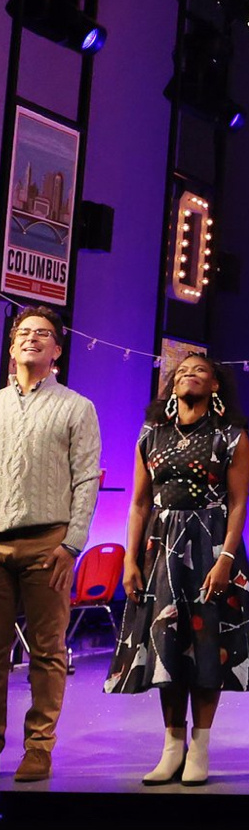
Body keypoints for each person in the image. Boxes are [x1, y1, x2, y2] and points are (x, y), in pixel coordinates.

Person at [106, 350, 249, 786]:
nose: (189, 376)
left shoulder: (231, 437)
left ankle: (201, 747)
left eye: (201, 372)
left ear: (215, 386)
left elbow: (238, 503)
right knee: (167, 646)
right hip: (160, 548)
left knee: (207, 643)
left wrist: (226, 559)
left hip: (210, 546)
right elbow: (137, 503)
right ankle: (172, 747)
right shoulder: (150, 435)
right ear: (171, 387)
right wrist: (130, 559)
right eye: (182, 372)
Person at [0, 304, 101, 783]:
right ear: (13, 342)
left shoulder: (76, 407)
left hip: (49, 543)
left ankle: (38, 747)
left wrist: (72, 543)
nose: (31, 338)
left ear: (57, 349)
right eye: (24, 332)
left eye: (43, 333)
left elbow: (87, 480)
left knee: (47, 650)